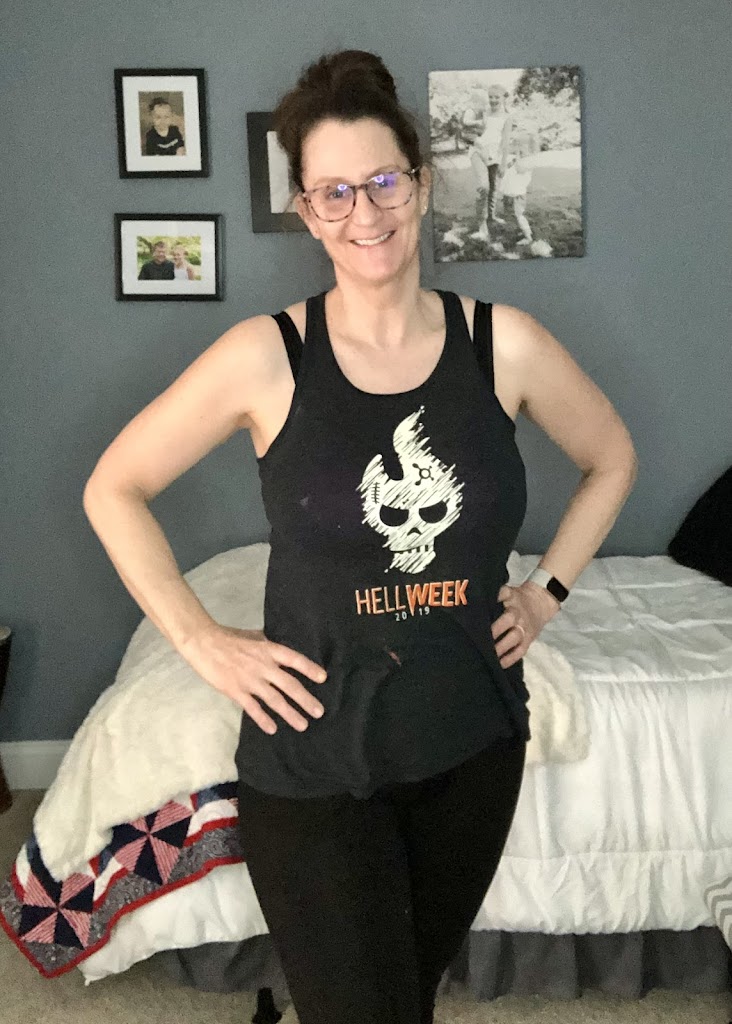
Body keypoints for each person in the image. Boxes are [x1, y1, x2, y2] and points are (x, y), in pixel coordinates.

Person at [83, 48, 638, 1024]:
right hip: (313, 765)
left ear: (420, 185)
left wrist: (546, 592)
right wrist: (200, 641)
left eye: (383, 181)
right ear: (306, 210)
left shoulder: (502, 344)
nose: (364, 213)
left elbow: (612, 458)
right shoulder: (267, 357)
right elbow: (113, 488)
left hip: (472, 743)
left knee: (402, 993)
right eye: (333, 192)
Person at [464, 84, 515, 243]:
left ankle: (491, 216)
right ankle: (482, 225)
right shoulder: (482, 112)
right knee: (484, 186)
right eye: (490, 97)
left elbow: (505, 141)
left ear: (503, 98)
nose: (493, 100)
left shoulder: (507, 117)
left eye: (496, 97)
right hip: (478, 152)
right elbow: (467, 130)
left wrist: (503, 162)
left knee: (494, 187)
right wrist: (476, 140)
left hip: (495, 155)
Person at [498, 128, 541, 247]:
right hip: (512, 191)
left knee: (519, 215)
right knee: (512, 214)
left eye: (521, 147)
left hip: (518, 192)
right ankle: (522, 230)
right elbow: (510, 166)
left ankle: (528, 237)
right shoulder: (522, 159)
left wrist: (517, 157)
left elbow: (519, 169)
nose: (519, 149)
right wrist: (511, 162)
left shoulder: (528, 161)